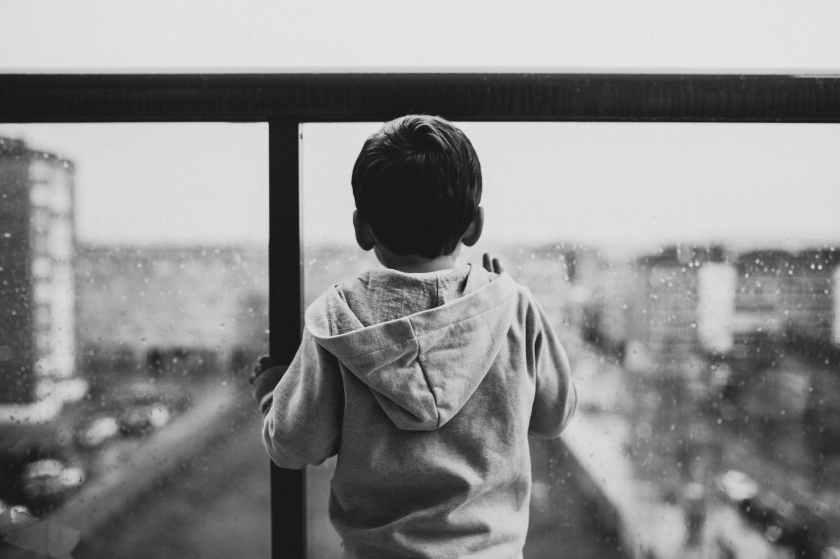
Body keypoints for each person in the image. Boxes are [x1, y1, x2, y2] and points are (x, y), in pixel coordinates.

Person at [251, 114, 576, 559]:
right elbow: (555, 415)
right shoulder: (514, 306)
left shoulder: (337, 319)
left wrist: (273, 391)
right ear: (474, 226)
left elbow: (293, 445)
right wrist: (503, 304)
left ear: (362, 228)